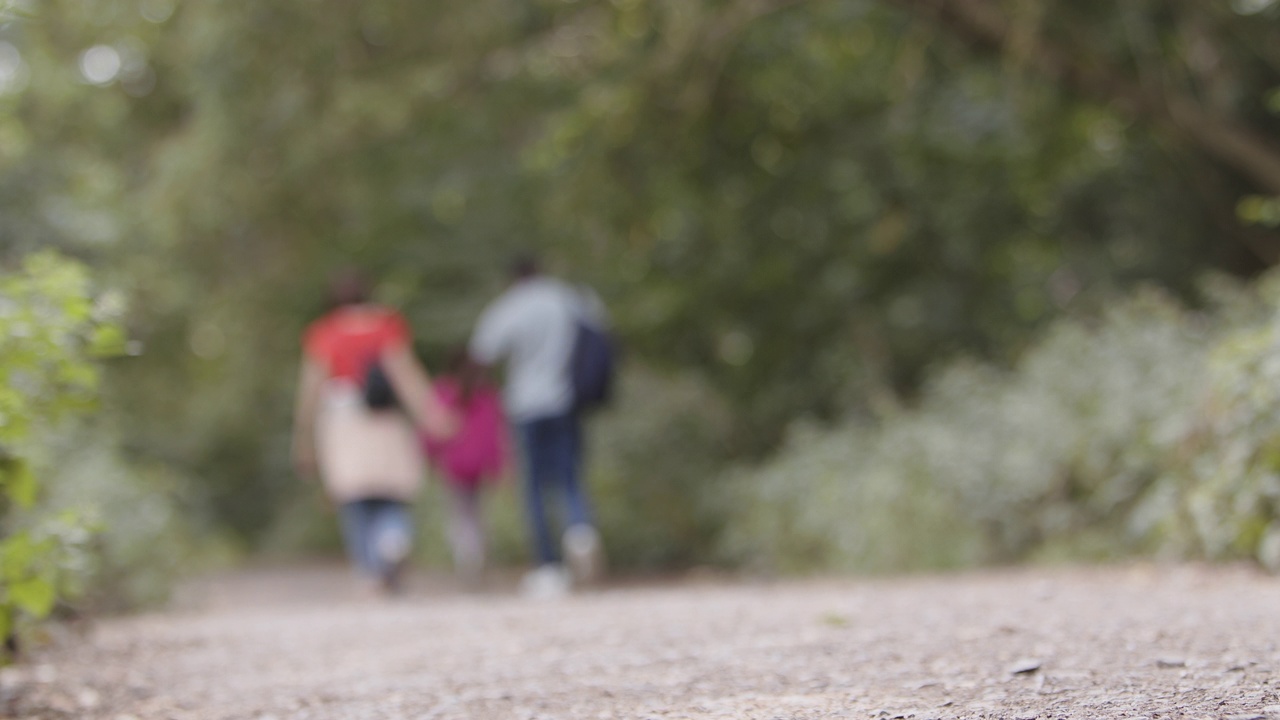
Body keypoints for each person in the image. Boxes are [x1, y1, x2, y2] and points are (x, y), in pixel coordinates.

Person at [291, 271, 455, 595]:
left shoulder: (325, 333)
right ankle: (394, 539)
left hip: (343, 420)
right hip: (385, 418)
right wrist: (433, 416)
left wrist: (303, 437)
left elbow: (310, 389)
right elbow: (407, 376)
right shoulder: (387, 327)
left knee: (355, 496)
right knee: (390, 490)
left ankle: (368, 569)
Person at [469, 256, 605, 596]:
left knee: (533, 486)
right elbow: (601, 334)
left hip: (526, 405)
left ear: (513, 277)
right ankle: (580, 530)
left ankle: (548, 568)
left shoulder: (509, 307)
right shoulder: (568, 297)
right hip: (566, 401)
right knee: (569, 475)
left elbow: (481, 354)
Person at [420, 350, 509, 584]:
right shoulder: (488, 396)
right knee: (479, 512)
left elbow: (431, 428)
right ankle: (478, 552)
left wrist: (428, 454)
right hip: (480, 465)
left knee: (460, 513)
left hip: (454, 464)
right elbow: (496, 435)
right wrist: (499, 467)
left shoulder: (443, 392)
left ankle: (468, 556)